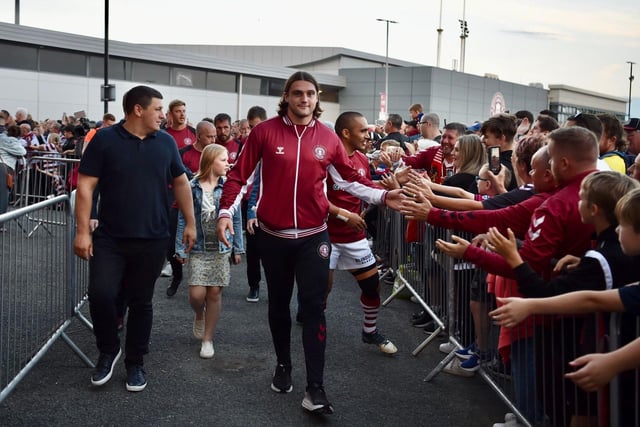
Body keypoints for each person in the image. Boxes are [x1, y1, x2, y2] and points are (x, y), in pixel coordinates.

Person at [216, 71, 404, 415]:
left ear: (317, 99)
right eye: (298, 93)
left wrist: (384, 196)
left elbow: (349, 180)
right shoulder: (264, 132)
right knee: (279, 306)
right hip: (274, 237)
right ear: (287, 96)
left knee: (315, 308)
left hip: (315, 238)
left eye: (311, 94)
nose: (305, 99)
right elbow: (240, 177)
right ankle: (284, 364)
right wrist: (225, 213)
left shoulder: (329, 138)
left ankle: (315, 388)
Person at [73, 85, 196, 392]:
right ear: (138, 110)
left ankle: (135, 362)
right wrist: (82, 231)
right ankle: (108, 349)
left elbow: (181, 184)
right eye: (158, 109)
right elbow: (85, 187)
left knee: (141, 303)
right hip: (110, 238)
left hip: (153, 238)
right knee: (101, 294)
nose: (163, 115)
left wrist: (190, 223)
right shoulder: (104, 140)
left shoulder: (166, 143)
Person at [488, 187, 640, 392]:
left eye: (623, 224)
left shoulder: (603, 258)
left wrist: (613, 361)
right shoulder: (604, 254)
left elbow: (592, 299)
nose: (617, 229)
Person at [325, 111, 397, 354]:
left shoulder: (363, 160)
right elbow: (317, 200)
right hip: (326, 235)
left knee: (372, 286)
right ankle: (315, 325)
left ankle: (369, 332)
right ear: (346, 133)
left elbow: (366, 190)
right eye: (363, 130)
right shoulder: (326, 161)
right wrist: (344, 215)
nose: (369, 135)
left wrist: (394, 184)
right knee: (322, 288)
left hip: (354, 237)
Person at [175, 144, 243, 358]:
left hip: (221, 249)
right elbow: (182, 219)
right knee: (196, 295)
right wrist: (180, 248)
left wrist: (238, 247)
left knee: (214, 293)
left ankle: (208, 339)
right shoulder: (192, 186)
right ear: (210, 161)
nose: (228, 164)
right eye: (223, 160)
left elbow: (236, 219)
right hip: (198, 247)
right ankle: (199, 314)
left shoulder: (230, 187)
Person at [165, 120, 217, 297]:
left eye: (214, 136)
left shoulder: (216, 155)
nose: (213, 139)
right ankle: (177, 276)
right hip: (180, 206)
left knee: (207, 245)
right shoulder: (183, 153)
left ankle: (205, 282)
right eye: (209, 136)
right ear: (199, 136)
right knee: (172, 245)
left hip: (207, 209)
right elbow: (174, 173)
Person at [244, 106, 268, 303]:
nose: (254, 131)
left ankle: (276, 288)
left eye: (256, 126)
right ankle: (254, 285)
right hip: (251, 203)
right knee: (253, 250)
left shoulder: (273, 142)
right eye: (251, 127)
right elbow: (249, 179)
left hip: (272, 207)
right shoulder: (250, 144)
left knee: (274, 254)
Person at [0, 125, 27, 218]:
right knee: (3, 196)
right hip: (5, 168)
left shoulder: (2, 139)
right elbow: (22, 151)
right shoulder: (12, 142)